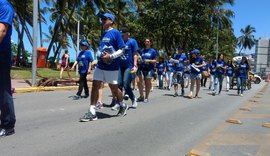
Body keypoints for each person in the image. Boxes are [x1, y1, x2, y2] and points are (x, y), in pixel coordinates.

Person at [79, 13, 127, 122]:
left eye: (104, 19)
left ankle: (122, 105)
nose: (102, 20)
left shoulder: (115, 33)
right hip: (101, 65)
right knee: (95, 85)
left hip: (112, 66)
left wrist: (111, 56)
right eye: (101, 19)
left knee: (114, 88)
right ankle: (92, 111)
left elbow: (122, 49)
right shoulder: (103, 34)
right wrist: (99, 54)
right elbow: (102, 48)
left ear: (111, 21)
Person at [111, 27, 139, 110]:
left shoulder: (132, 41)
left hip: (128, 66)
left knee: (126, 84)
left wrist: (135, 65)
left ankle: (133, 99)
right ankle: (119, 103)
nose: (122, 36)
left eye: (123, 35)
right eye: (121, 35)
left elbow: (135, 54)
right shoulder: (119, 42)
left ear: (127, 34)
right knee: (118, 84)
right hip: (119, 66)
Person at [0, 0, 16, 137]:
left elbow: (2, 30)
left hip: (2, 53)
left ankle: (8, 125)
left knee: (4, 90)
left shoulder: (4, 6)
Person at [136, 38, 157, 103]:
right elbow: (140, 58)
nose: (146, 42)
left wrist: (149, 61)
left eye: (148, 41)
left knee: (147, 83)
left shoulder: (153, 51)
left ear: (150, 43)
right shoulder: (142, 50)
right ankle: (141, 96)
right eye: (145, 41)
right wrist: (139, 59)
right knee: (139, 81)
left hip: (149, 69)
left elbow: (155, 60)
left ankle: (146, 97)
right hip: (141, 67)